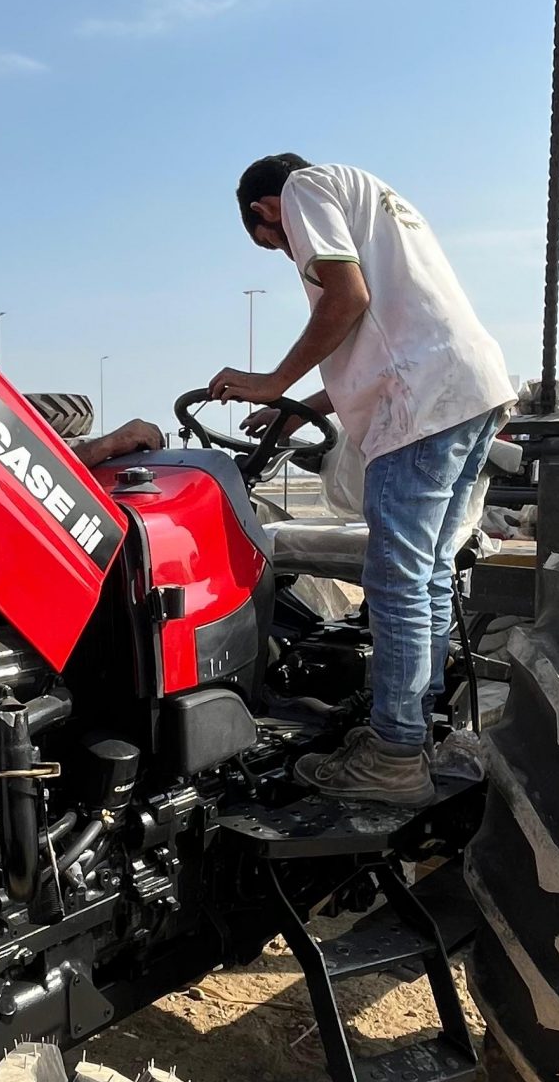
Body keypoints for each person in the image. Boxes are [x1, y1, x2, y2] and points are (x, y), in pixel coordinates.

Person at [210, 152, 513, 806]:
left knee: (396, 574)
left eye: (275, 243)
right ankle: (414, 732)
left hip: (424, 404)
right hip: (466, 389)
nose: (288, 251)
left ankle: (394, 756)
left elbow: (347, 299)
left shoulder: (302, 190)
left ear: (265, 213)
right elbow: (380, 334)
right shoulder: (371, 198)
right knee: (426, 572)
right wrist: (297, 412)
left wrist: (272, 381)